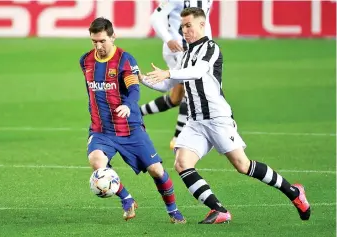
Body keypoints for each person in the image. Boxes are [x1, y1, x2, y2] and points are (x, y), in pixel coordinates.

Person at [140, 7, 311, 224]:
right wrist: (141, 78)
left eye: (188, 25)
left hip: (217, 119)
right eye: (182, 26)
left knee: (243, 165)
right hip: (195, 122)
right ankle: (218, 209)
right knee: (182, 163)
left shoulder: (211, 49)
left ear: (202, 25)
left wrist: (168, 72)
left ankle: (294, 192)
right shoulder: (184, 54)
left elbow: (198, 72)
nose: (184, 30)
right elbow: (168, 85)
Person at [79, 17, 186, 224]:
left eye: (102, 41)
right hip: (101, 130)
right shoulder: (85, 61)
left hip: (130, 128)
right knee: (97, 162)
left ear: (113, 37)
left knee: (156, 170)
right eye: (94, 41)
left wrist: (128, 105)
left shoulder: (125, 60)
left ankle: (173, 210)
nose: (98, 46)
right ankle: (126, 199)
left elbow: (134, 88)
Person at [139, 0, 213, 149]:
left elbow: (205, 21)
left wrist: (208, 44)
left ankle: (137, 113)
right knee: (190, 90)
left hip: (198, 48)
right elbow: (155, 18)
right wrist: (168, 39)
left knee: (175, 98)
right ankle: (178, 139)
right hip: (179, 49)